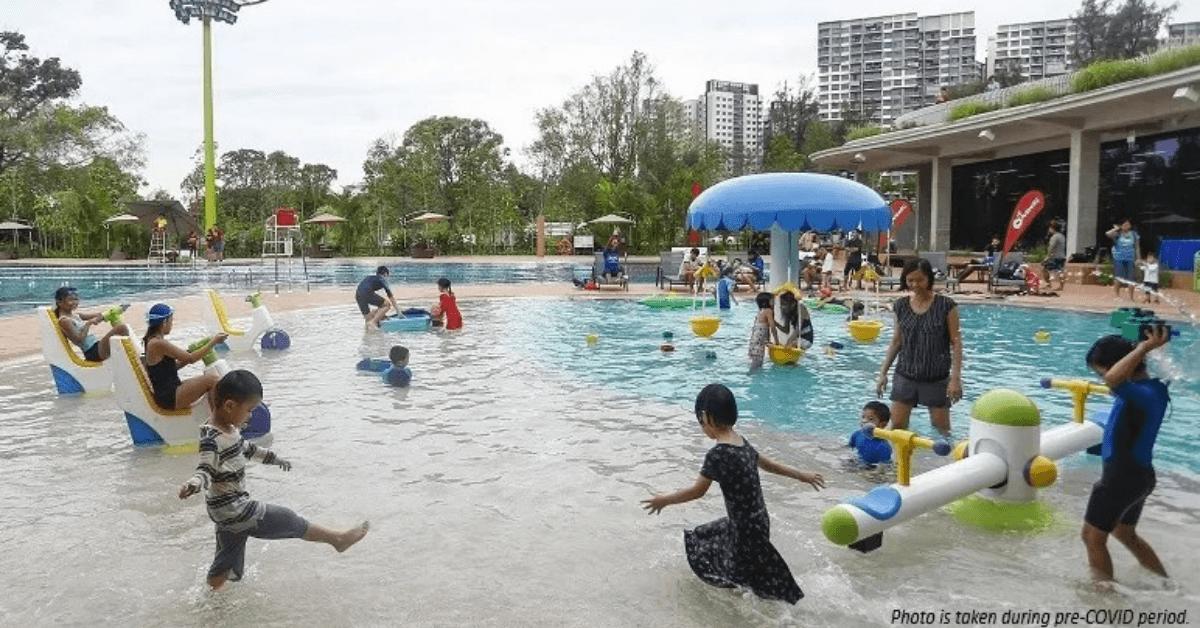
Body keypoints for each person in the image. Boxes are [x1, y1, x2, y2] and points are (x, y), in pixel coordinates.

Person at [178, 369, 369, 590]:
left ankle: (213, 601)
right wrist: (194, 484)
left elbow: (248, 449)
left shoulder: (229, 429)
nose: (249, 416)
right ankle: (338, 539)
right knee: (288, 519)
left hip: (226, 515)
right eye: (249, 410)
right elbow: (205, 468)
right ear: (229, 406)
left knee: (226, 564)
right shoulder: (212, 439)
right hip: (236, 509)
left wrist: (275, 459)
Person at [641, 383, 825, 605]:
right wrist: (800, 475)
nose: (702, 428)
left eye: (701, 423)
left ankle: (745, 609)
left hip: (743, 530)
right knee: (709, 538)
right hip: (757, 522)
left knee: (740, 581)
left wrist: (665, 500)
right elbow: (768, 464)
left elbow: (697, 491)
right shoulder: (741, 442)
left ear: (706, 417)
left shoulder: (717, 455)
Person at [1079, 329, 1171, 584]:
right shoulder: (1151, 390)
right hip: (1138, 477)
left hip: (1122, 477)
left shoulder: (1143, 394)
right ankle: (1166, 584)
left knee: (1092, 537)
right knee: (1125, 532)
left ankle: (1104, 599)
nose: (1102, 378)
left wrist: (1141, 348)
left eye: (1100, 372)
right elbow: (1115, 383)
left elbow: (1113, 380)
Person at [875, 258, 963, 439]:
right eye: (910, 280)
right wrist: (882, 373)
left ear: (929, 278)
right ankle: (897, 465)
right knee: (897, 428)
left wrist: (955, 379)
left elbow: (956, 342)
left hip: (935, 376)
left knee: (941, 430)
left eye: (920, 280)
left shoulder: (946, 306)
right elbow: (896, 342)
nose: (915, 285)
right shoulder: (901, 306)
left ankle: (944, 465)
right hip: (905, 373)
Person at [143, 303, 228, 411]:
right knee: (213, 380)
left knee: (210, 377)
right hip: (169, 397)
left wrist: (195, 350)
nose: (171, 324)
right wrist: (213, 342)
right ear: (164, 323)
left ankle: (215, 415)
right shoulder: (157, 343)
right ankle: (217, 420)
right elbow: (191, 358)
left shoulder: (152, 341)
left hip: (168, 392)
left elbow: (174, 366)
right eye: (171, 321)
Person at [53, 286, 131, 362]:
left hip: (97, 346)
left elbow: (99, 315)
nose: (74, 302)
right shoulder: (64, 321)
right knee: (121, 328)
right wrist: (88, 323)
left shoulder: (76, 315)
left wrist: (113, 311)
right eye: (70, 300)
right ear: (59, 302)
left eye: (76, 299)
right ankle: (130, 355)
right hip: (93, 352)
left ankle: (129, 354)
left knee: (120, 329)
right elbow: (79, 339)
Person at [848, 401, 893, 466]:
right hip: (857, 464)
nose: (864, 421)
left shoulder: (884, 447)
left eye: (870, 419)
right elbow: (848, 448)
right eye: (863, 417)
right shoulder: (857, 434)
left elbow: (885, 467)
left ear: (882, 425)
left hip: (871, 469)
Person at [1106, 218, 1141, 300]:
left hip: (1130, 258)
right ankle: (1117, 296)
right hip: (1119, 258)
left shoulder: (1133, 234)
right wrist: (1117, 229)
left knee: (1131, 278)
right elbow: (1107, 234)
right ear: (1121, 225)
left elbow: (1137, 247)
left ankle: (1131, 297)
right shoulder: (1117, 234)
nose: (1126, 226)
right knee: (1118, 277)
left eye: (1128, 224)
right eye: (1125, 225)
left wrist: (1138, 258)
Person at [748, 292, 774, 369]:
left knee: (756, 364)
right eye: (772, 301)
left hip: (754, 343)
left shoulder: (760, 311)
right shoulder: (768, 311)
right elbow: (772, 326)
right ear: (767, 302)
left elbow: (765, 327)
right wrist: (777, 340)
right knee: (757, 366)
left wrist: (767, 340)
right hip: (758, 345)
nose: (774, 303)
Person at [1042, 221, 1067, 292]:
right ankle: (1061, 286)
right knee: (1060, 272)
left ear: (1052, 228)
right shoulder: (1062, 236)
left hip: (1054, 257)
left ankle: (1048, 284)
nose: (1049, 230)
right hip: (1062, 256)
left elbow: (1051, 248)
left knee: (1044, 268)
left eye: (1050, 228)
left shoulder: (1054, 237)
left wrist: (1047, 258)